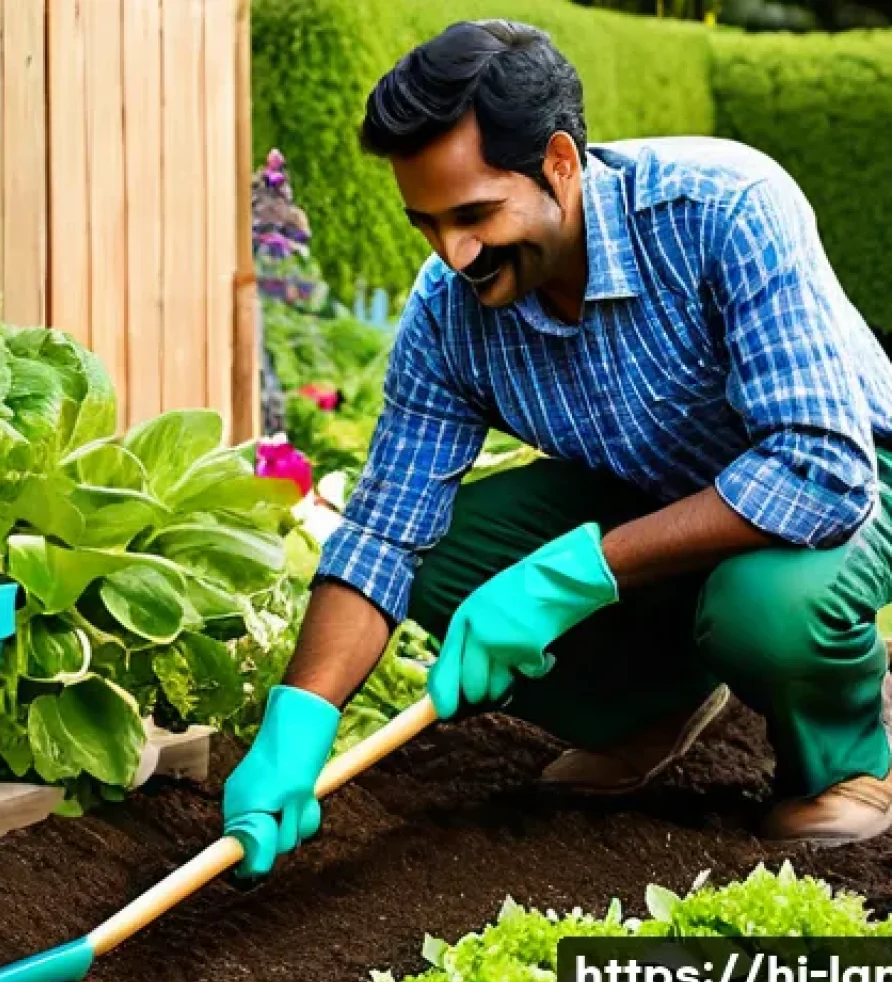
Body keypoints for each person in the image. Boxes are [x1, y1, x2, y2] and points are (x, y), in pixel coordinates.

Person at [222, 19, 892, 879]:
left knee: (765, 607)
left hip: (849, 478)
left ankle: (840, 761)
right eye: (426, 223)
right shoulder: (449, 310)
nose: (452, 253)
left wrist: (567, 575)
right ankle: (645, 707)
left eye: (474, 214)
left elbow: (817, 468)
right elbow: (388, 530)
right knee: (441, 554)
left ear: (562, 164)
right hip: (654, 496)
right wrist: (299, 722)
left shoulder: (725, 208)